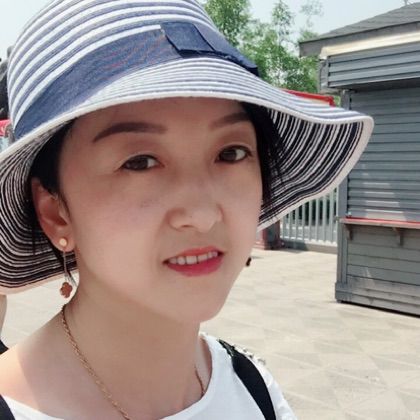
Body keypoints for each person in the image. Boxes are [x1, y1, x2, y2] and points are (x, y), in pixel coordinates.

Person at [0, 1, 373, 419]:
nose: (202, 215)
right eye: (140, 162)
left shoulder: (253, 388)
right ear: (55, 213)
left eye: (231, 153)